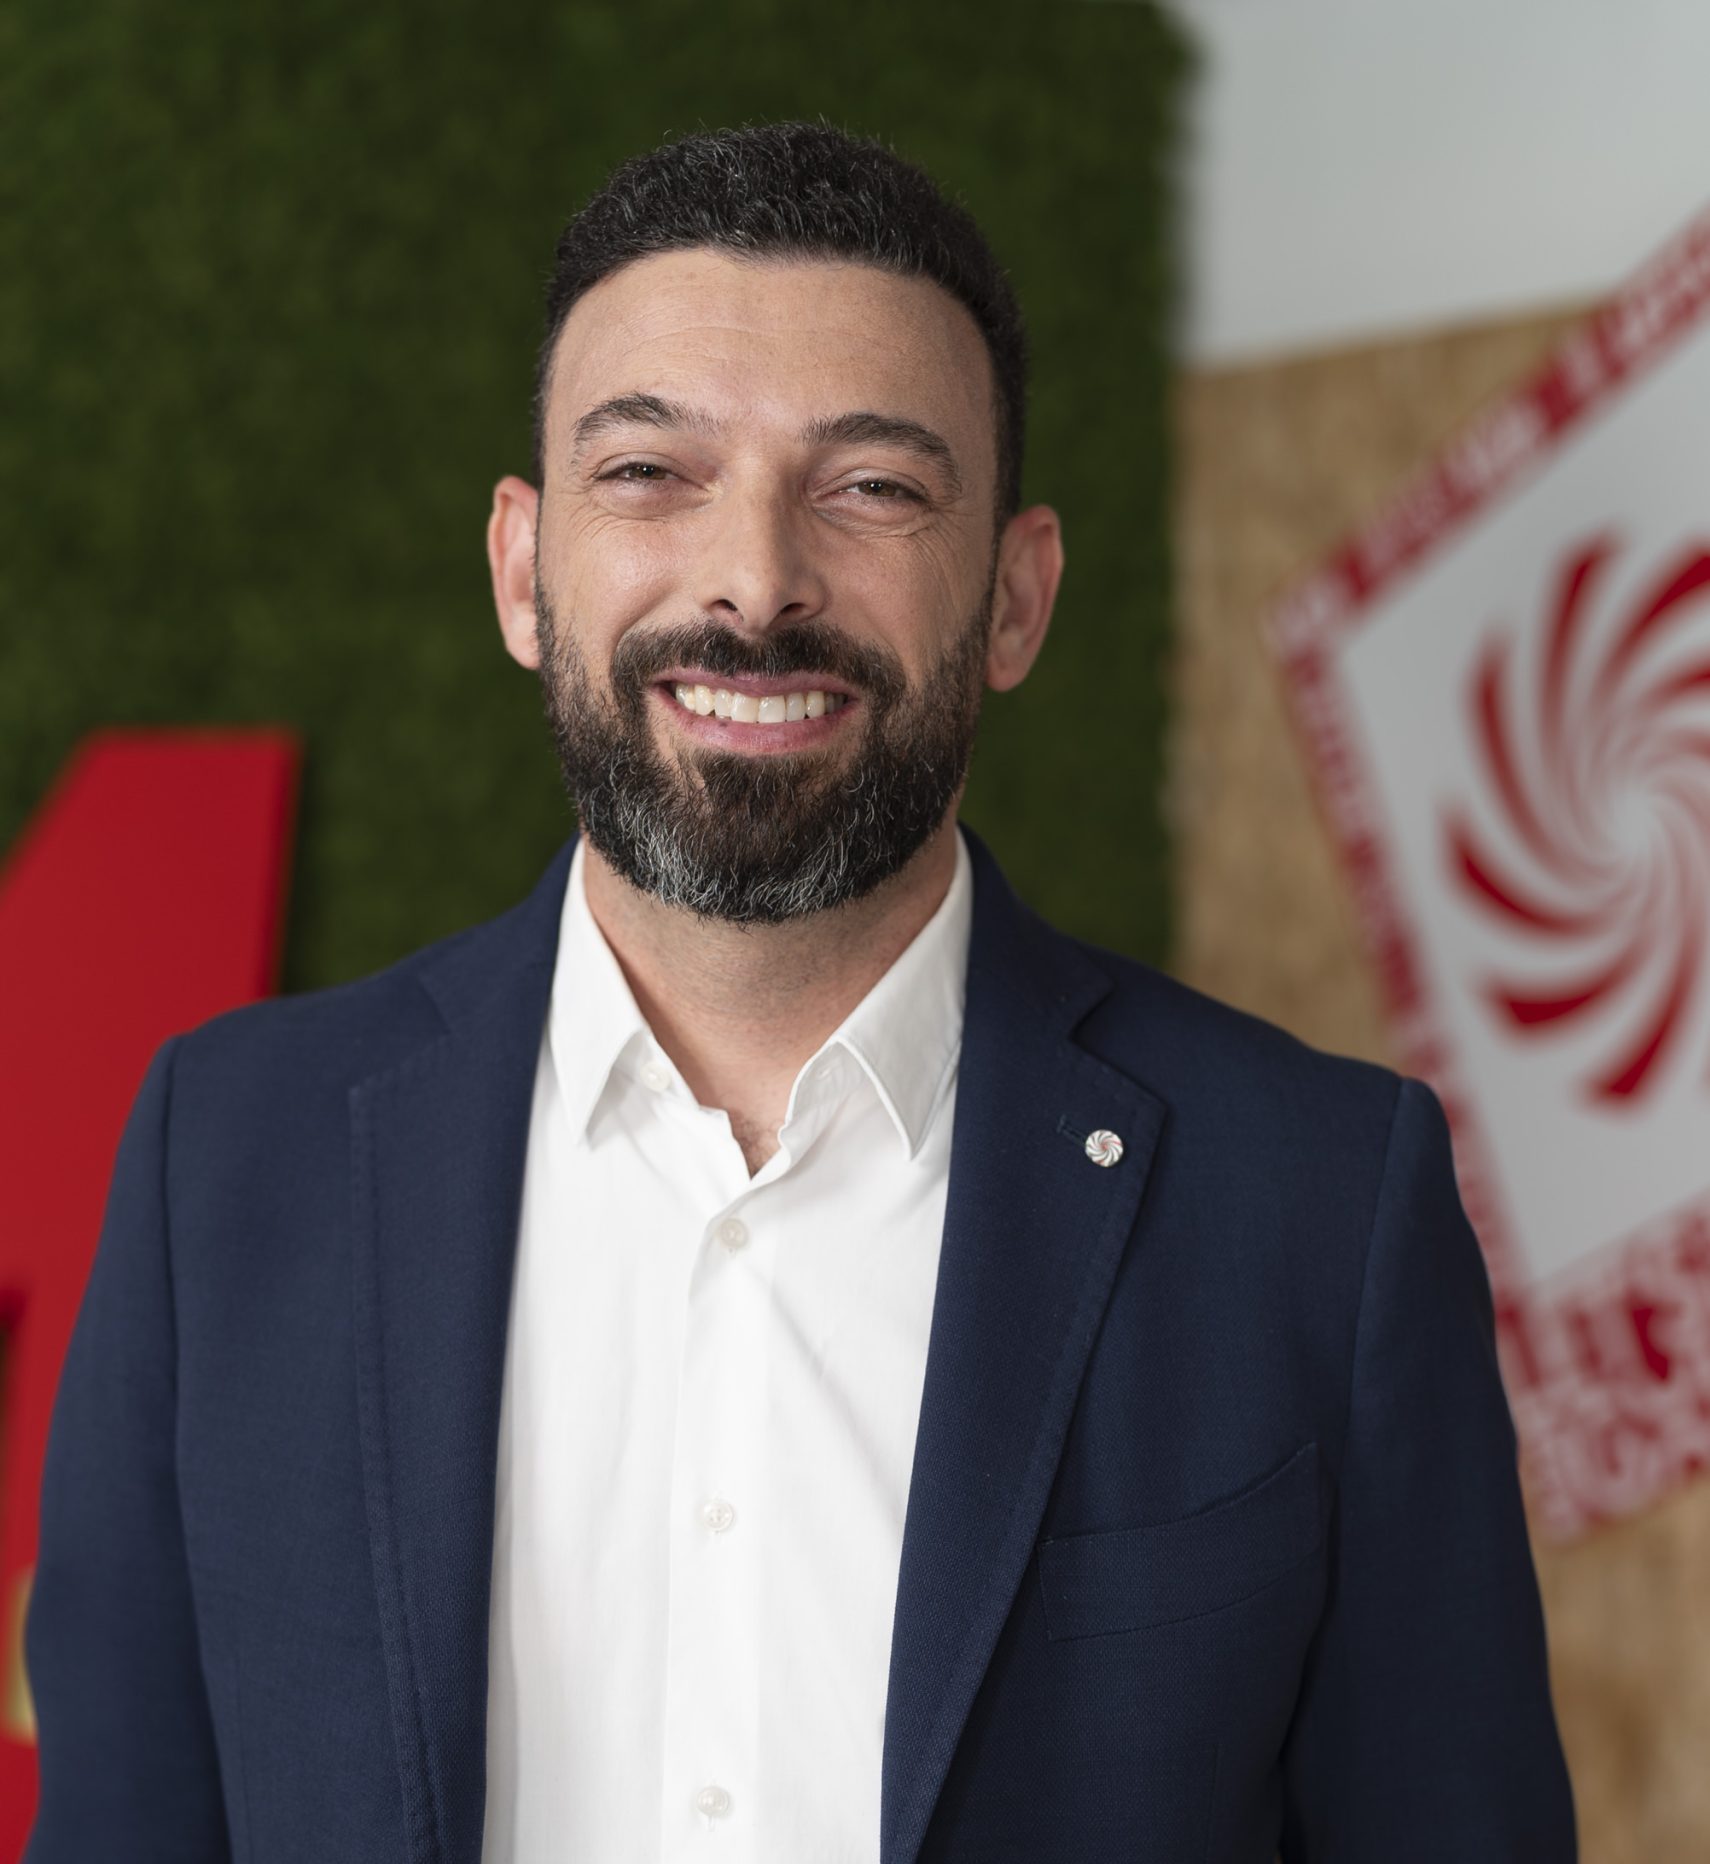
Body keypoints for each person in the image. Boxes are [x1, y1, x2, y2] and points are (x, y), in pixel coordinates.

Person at [24, 121, 1576, 1863]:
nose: (754, 580)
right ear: (521, 570)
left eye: (873, 488)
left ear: (1015, 597)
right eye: (649, 473)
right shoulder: (229, 1165)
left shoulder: (1316, 1203)